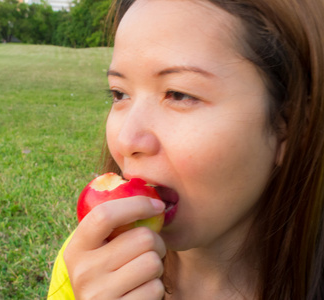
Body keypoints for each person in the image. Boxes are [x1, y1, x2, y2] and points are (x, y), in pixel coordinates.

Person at [47, 0, 324, 299]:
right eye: (119, 93)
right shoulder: (89, 267)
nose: (126, 141)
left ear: (291, 126)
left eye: (179, 94)